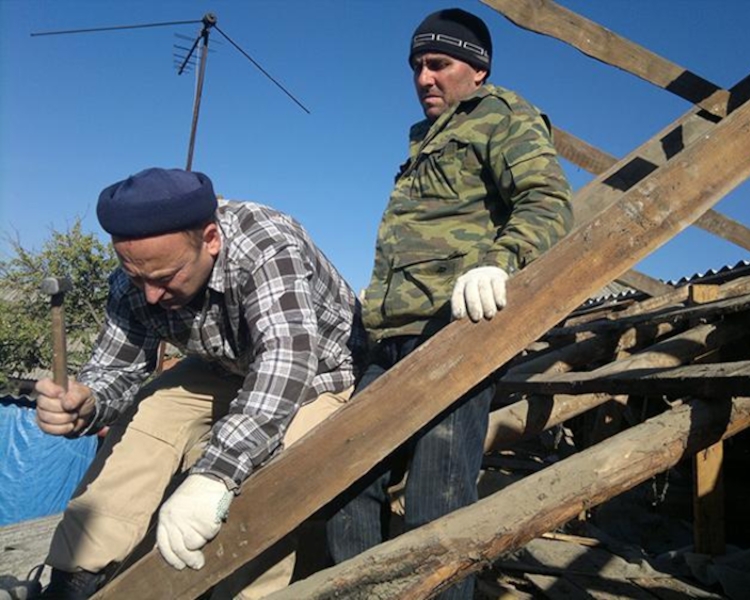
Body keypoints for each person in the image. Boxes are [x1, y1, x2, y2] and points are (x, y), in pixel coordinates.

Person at [326, 8, 573, 599]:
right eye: (416, 66)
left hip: (453, 334)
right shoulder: (423, 140)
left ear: (478, 70)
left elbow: (548, 200)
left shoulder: (501, 116)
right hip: (392, 337)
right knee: (343, 480)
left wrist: (502, 260)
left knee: (435, 502)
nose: (424, 77)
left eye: (439, 63)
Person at [34, 167, 366, 599]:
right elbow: (117, 369)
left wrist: (217, 473)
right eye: (138, 278)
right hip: (224, 366)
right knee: (150, 415)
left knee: (268, 471)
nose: (151, 295)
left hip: (321, 372)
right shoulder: (138, 275)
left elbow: (285, 363)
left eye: (166, 278)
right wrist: (88, 401)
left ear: (211, 239)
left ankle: (248, 593)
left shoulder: (267, 243)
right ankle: (74, 578)